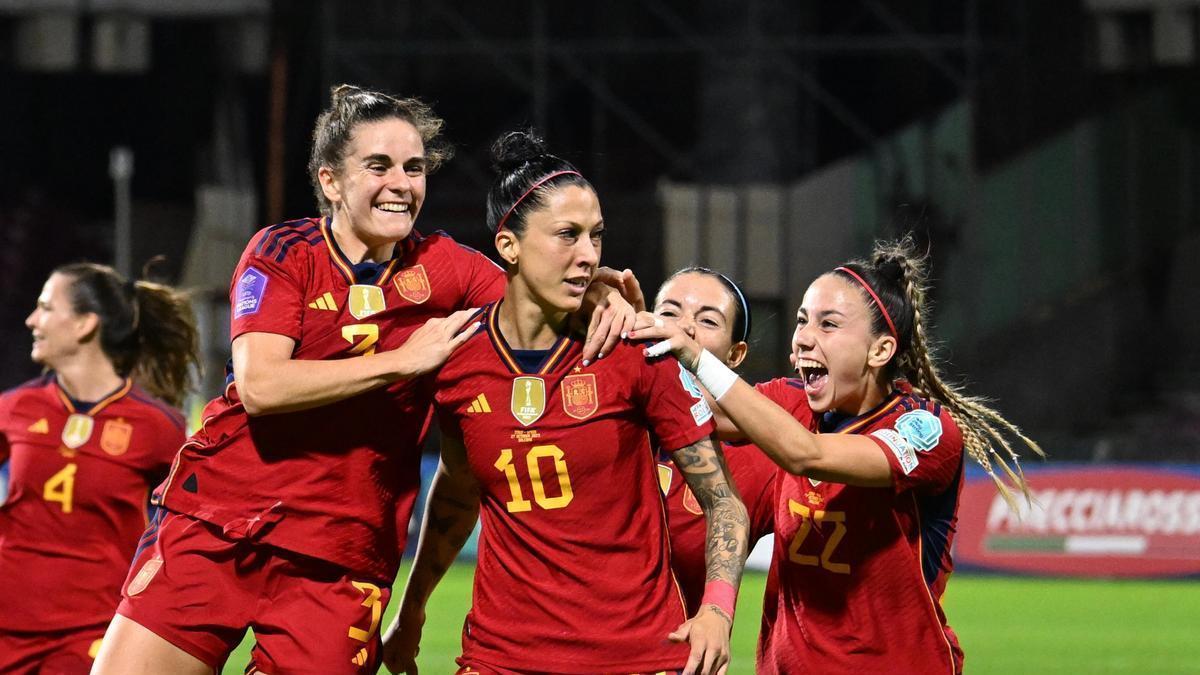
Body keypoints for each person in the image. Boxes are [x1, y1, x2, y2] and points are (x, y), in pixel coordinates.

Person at [92, 86, 637, 675]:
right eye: (378, 166)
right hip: (221, 523)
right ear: (330, 181)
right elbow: (262, 386)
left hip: (341, 557)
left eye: (414, 168)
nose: (401, 183)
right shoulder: (283, 252)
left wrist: (593, 292)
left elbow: (531, 300)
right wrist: (403, 360)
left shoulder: (447, 267)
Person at [381, 131, 749, 675]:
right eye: (567, 236)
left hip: (636, 657)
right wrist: (410, 613)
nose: (589, 257)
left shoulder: (636, 351)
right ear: (508, 245)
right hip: (501, 658)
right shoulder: (457, 361)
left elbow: (725, 502)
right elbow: (458, 496)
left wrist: (717, 610)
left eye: (596, 237)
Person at [633, 237, 1043, 674]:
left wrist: (695, 354)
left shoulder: (924, 431)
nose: (804, 339)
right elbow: (682, 406)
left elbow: (805, 454)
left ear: (880, 350)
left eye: (828, 325)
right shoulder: (791, 405)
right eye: (802, 321)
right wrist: (617, 335)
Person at [0, 262, 199, 674]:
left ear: (84, 325)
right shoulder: (14, 409)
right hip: (8, 621)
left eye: (46, 308)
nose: (31, 319)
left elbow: (189, 526)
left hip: (94, 629)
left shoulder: (157, 426)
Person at [650, 267, 786, 615]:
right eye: (668, 312)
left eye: (708, 321)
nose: (684, 327)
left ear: (736, 355)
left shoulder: (761, 452)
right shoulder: (604, 415)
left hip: (677, 661)